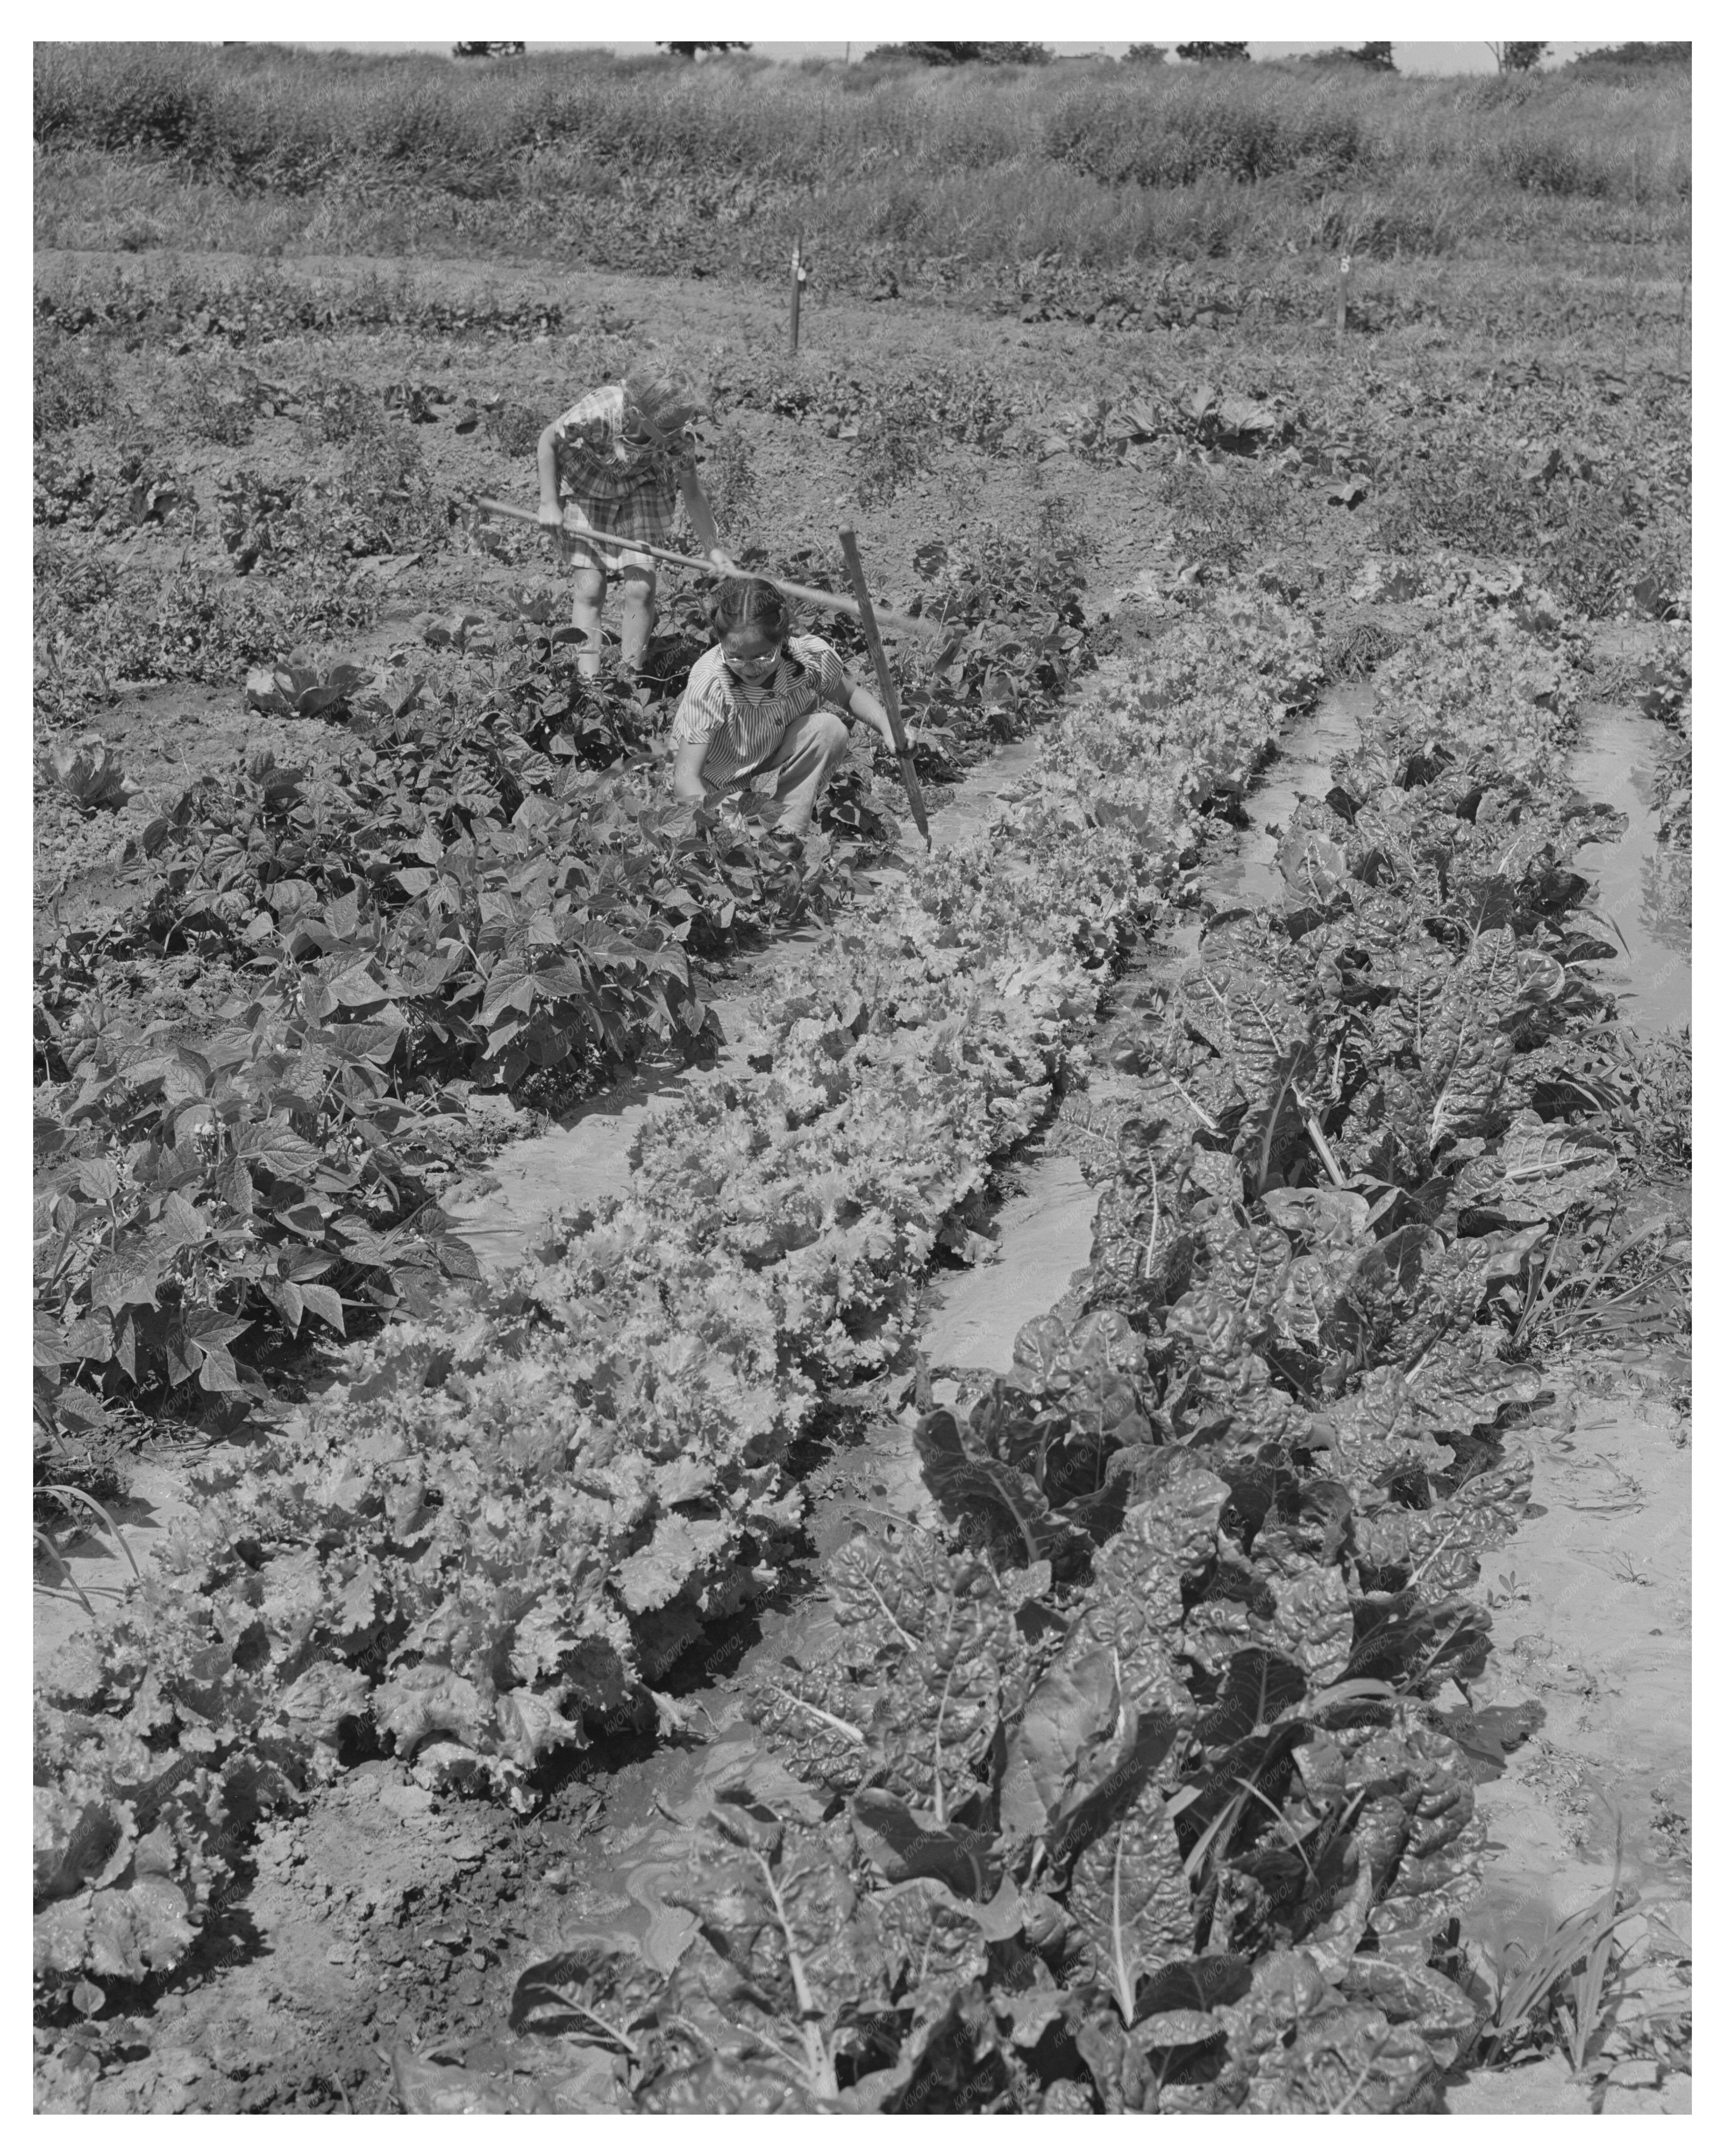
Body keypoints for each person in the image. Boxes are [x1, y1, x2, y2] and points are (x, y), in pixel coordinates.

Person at [536, 362, 736, 679]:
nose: (681, 432)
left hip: (640, 489)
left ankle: (628, 679)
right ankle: (590, 684)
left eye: (685, 423)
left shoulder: (678, 438)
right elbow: (549, 439)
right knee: (591, 589)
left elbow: (694, 495)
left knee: (642, 588)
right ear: (641, 417)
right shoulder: (600, 415)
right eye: (671, 426)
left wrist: (713, 549)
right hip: (590, 488)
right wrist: (549, 502)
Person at [670, 578, 898, 837]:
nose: (749, 668)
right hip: (713, 788)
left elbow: (850, 697)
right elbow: (686, 780)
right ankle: (756, 836)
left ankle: (786, 832)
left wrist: (890, 730)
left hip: (765, 771)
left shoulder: (806, 658)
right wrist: (726, 821)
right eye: (735, 657)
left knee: (830, 730)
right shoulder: (710, 682)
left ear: (783, 640)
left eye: (763, 656)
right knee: (711, 836)